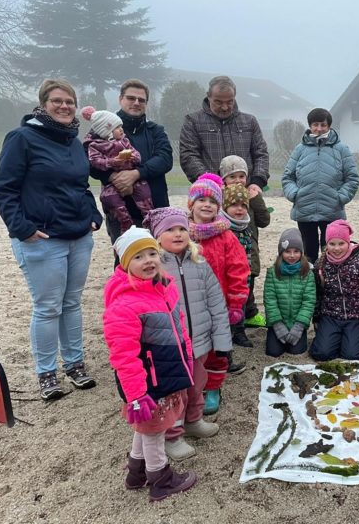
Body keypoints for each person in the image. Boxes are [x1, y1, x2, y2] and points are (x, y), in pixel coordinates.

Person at [0, 79, 101, 400]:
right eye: (57, 100)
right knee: (48, 307)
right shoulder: (22, 138)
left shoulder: (72, 140)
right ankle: (46, 373)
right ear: (43, 104)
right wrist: (22, 228)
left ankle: (74, 363)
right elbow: (4, 190)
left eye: (70, 101)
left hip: (78, 235)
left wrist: (93, 213)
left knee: (72, 302)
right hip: (41, 238)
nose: (65, 106)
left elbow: (80, 185)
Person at [102, 227, 196, 501]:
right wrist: (136, 396)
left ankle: (136, 471)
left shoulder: (164, 288)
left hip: (166, 373)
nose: (149, 261)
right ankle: (160, 478)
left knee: (147, 426)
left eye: (152, 253)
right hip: (147, 384)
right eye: (139, 257)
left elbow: (181, 330)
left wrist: (187, 361)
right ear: (125, 264)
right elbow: (123, 356)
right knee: (155, 429)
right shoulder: (124, 304)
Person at [144, 207, 228, 460]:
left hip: (200, 342)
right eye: (170, 229)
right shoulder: (153, 268)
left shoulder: (199, 263)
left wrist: (222, 340)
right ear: (157, 236)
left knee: (197, 386)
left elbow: (216, 302)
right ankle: (172, 435)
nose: (178, 234)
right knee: (174, 392)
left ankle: (194, 421)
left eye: (182, 228)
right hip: (170, 347)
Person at [187, 173, 250, 415]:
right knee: (192, 349)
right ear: (191, 204)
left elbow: (238, 270)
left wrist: (236, 303)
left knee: (217, 350)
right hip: (189, 306)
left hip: (218, 306)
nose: (207, 205)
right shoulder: (181, 234)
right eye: (201, 200)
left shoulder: (226, 237)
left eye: (213, 201)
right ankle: (193, 386)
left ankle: (213, 387)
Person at [89, 79, 173, 243]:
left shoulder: (156, 130)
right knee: (125, 263)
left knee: (161, 260)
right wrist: (112, 177)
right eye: (131, 98)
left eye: (141, 100)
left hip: (156, 207)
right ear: (121, 99)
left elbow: (165, 159)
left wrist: (137, 173)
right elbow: (90, 161)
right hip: (121, 212)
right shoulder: (102, 130)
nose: (136, 103)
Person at [281, 108, 359, 263]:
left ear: (329, 126)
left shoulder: (341, 149)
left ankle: (328, 285)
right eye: (315, 125)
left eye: (323, 125)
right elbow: (287, 177)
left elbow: (352, 178)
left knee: (332, 254)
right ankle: (312, 285)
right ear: (310, 125)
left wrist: (340, 197)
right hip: (305, 209)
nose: (319, 129)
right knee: (308, 254)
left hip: (332, 210)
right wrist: (295, 194)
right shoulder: (300, 149)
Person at [179, 75, 270, 198]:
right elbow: (189, 156)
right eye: (218, 102)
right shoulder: (193, 121)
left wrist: (257, 181)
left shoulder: (250, 121)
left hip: (246, 194)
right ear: (208, 96)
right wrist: (211, 182)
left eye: (230, 102)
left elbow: (261, 154)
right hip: (210, 195)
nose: (225, 107)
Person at [310, 220, 359, 361]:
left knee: (353, 355)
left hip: (357, 315)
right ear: (326, 244)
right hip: (330, 314)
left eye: (341, 243)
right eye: (332, 244)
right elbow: (317, 293)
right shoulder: (321, 264)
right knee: (321, 354)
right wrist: (316, 317)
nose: (337, 248)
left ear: (348, 242)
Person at [81, 106, 153, 235]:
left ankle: (148, 216)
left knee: (144, 191)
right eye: (117, 128)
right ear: (107, 131)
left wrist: (134, 158)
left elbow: (136, 153)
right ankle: (125, 220)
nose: (122, 130)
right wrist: (113, 162)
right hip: (111, 182)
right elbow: (95, 162)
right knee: (108, 198)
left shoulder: (124, 141)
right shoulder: (94, 145)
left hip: (133, 176)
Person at [220, 155, 271, 328]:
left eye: (241, 176)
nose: (237, 181)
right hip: (229, 253)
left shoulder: (250, 196)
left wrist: (256, 199)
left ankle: (250, 314)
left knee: (249, 284)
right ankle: (236, 319)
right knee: (232, 286)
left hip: (250, 250)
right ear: (224, 179)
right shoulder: (221, 198)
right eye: (232, 177)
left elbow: (264, 221)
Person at [263, 228, 316, 357]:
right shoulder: (272, 272)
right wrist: (277, 325)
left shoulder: (308, 273)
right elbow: (270, 300)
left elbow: (309, 301)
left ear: (301, 253)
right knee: (273, 352)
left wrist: (299, 326)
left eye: (296, 251)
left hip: (297, 323)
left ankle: (298, 332)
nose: (292, 255)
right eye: (287, 251)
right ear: (281, 253)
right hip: (278, 322)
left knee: (296, 350)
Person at [221, 183, 254, 348]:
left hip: (244, 274)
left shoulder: (245, 227)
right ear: (225, 206)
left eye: (243, 205)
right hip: (227, 276)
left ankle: (239, 331)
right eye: (234, 205)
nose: (239, 209)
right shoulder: (223, 228)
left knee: (241, 302)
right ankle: (228, 334)